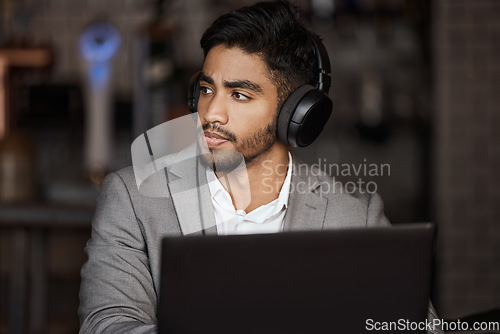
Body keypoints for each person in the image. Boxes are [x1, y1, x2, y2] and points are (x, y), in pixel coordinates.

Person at [78, 1, 442, 333]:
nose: (210, 113)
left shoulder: (355, 214)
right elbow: (108, 324)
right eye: (206, 90)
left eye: (239, 94)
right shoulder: (132, 197)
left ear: (295, 115)